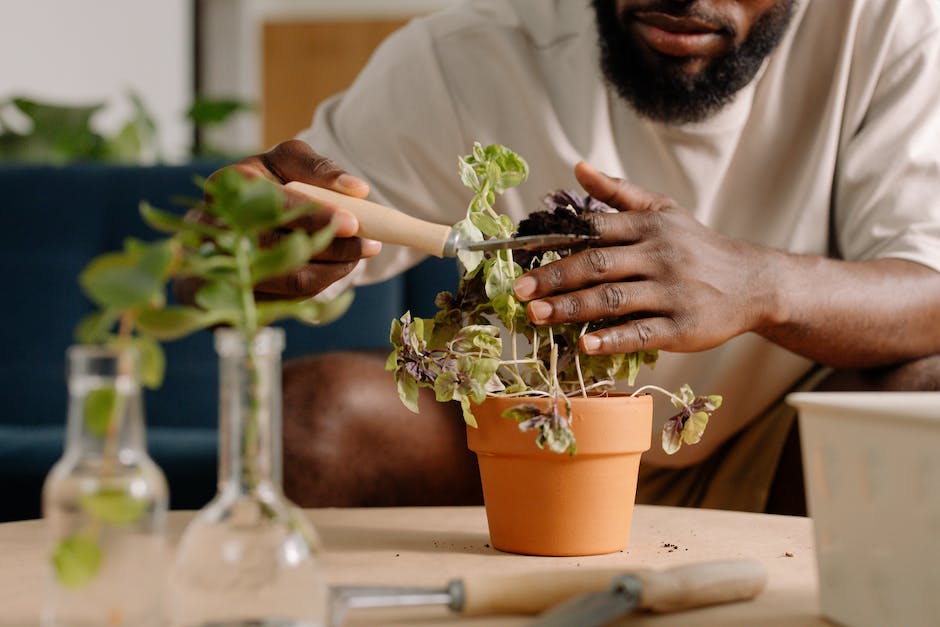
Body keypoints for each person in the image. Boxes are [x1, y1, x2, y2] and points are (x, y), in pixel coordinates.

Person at [222, 0, 940, 514]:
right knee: (313, 421)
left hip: (778, 449)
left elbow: (930, 290)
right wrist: (231, 251)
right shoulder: (470, 53)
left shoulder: (891, 30)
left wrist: (756, 284)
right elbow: (241, 251)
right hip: (523, 443)